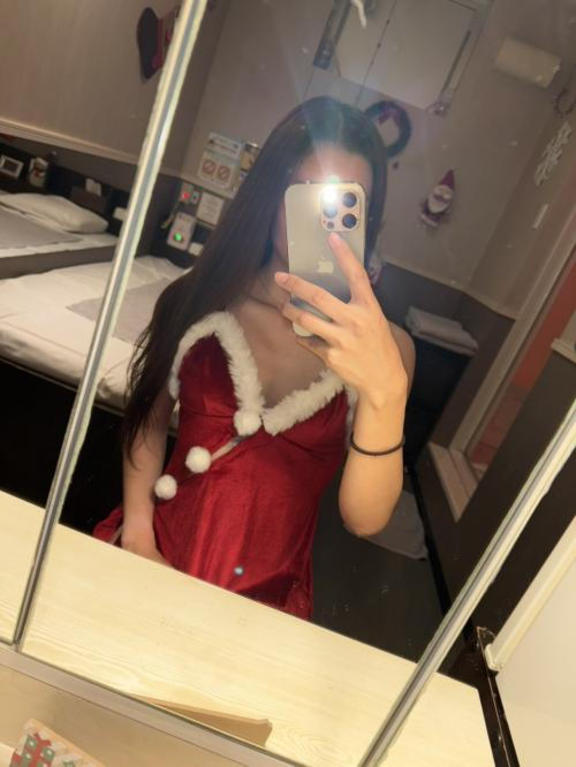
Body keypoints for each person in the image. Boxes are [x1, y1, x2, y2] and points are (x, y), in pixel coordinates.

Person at [94, 97, 415, 620]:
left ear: (366, 217)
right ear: (270, 192)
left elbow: (365, 519)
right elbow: (147, 422)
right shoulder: (198, 299)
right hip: (153, 558)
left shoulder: (385, 353)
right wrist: (136, 535)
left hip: (265, 608)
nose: (320, 220)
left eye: (343, 202)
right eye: (304, 192)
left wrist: (387, 391)